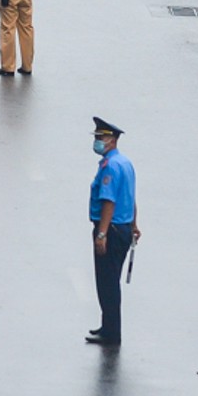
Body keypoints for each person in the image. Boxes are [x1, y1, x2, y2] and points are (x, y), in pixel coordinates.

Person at [86, 117, 138, 346]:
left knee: (107, 283)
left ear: (113, 140)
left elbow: (109, 201)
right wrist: (134, 224)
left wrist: (101, 234)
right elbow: (131, 197)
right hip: (123, 228)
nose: (98, 141)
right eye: (97, 137)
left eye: (101, 137)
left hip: (111, 230)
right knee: (111, 281)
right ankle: (108, 326)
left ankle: (111, 332)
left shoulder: (111, 167)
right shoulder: (125, 163)